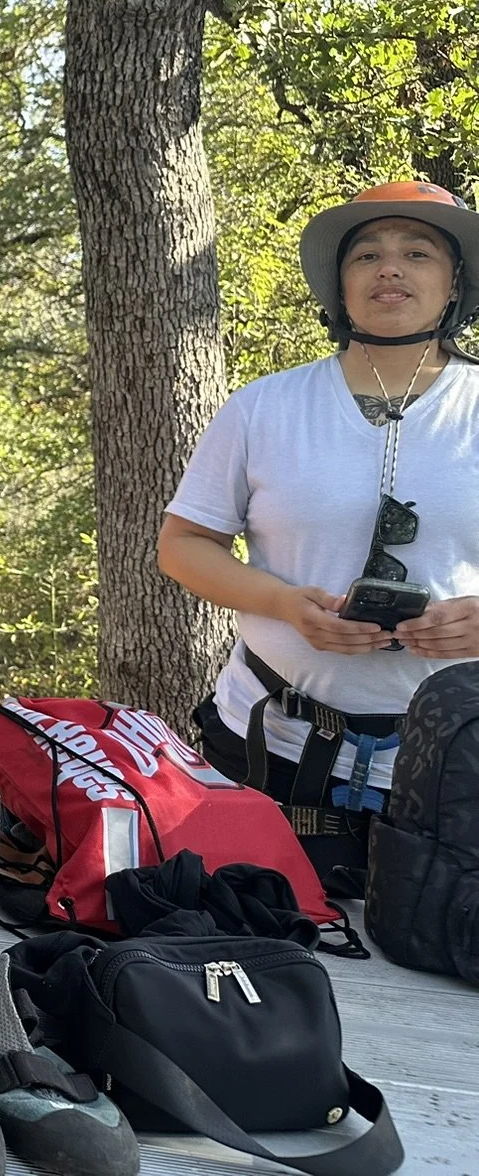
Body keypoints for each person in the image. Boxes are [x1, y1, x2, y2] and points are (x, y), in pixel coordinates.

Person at [160, 180, 479, 888]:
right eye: (366, 254)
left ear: (455, 280)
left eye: (418, 252)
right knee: (252, 965)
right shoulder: (263, 408)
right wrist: (284, 605)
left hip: (450, 772)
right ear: (340, 283)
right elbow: (182, 545)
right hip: (263, 745)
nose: (390, 268)